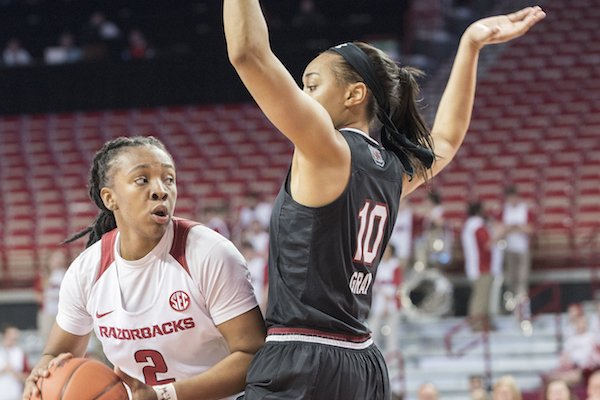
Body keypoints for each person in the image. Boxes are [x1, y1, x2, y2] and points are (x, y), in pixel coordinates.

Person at [224, 1, 545, 398]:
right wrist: (470, 45)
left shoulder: (327, 148)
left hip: (304, 356)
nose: (302, 95)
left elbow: (247, 54)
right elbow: (445, 140)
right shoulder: (392, 169)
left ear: (354, 94)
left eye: (311, 85)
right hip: (363, 361)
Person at [23, 136, 266, 400]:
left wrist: (165, 395)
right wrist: (41, 376)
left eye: (169, 179)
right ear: (110, 198)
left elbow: (253, 355)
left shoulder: (210, 253)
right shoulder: (87, 270)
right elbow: (56, 356)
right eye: (143, 179)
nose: (160, 190)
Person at [462, 201, 502, 331]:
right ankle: (477, 325)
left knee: (481, 296)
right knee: (481, 298)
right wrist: (500, 234)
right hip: (482, 266)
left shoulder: (469, 226)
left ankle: (483, 323)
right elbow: (487, 244)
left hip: (476, 266)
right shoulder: (478, 226)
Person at [498, 184, 534, 319]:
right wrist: (515, 228)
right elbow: (500, 229)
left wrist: (513, 228)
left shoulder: (524, 209)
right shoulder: (505, 210)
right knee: (511, 281)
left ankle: (523, 312)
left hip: (522, 249)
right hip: (509, 250)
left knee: (522, 281)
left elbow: (530, 229)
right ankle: (511, 311)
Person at [34, 249, 68, 342]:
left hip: (64, 312)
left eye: (60, 259)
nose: (58, 262)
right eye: (55, 259)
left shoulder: (68, 273)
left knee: (64, 338)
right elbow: (38, 296)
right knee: (47, 338)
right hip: (48, 312)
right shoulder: (43, 275)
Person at [0, 325, 29, 400]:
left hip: (16, 396)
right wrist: (4, 370)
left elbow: (27, 377)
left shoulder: (20, 353)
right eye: (11, 334)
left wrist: (14, 373)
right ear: (5, 335)